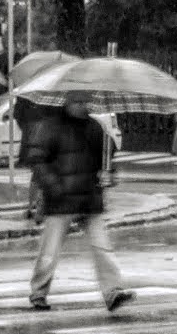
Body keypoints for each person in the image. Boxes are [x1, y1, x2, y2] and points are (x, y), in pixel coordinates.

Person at [28, 95, 135, 313]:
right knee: (49, 251)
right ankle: (38, 291)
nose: (83, 104)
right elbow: (38, 160)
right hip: (61, 199)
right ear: (67, 101)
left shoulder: (95, 127)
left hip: (89, 198)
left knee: (102, 247)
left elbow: (106, 159)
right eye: (79, 100)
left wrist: (109, 174)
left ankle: (112, 291)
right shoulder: (51, 127)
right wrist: (54, 186)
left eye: (85, 100)